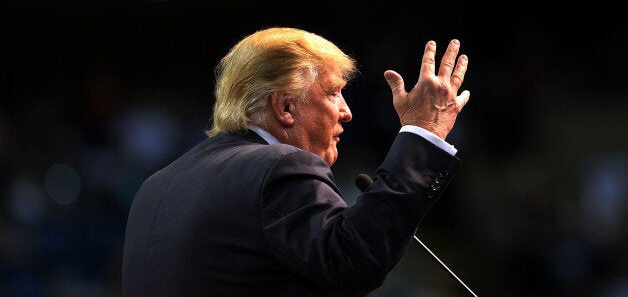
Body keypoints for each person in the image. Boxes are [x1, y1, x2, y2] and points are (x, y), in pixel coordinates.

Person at [122, 26, 470, 296]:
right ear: (285, 107)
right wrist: (423, 132)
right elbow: (353, 261)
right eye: (334, 92)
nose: (347, 112)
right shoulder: (279, 166)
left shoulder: (155, 187)